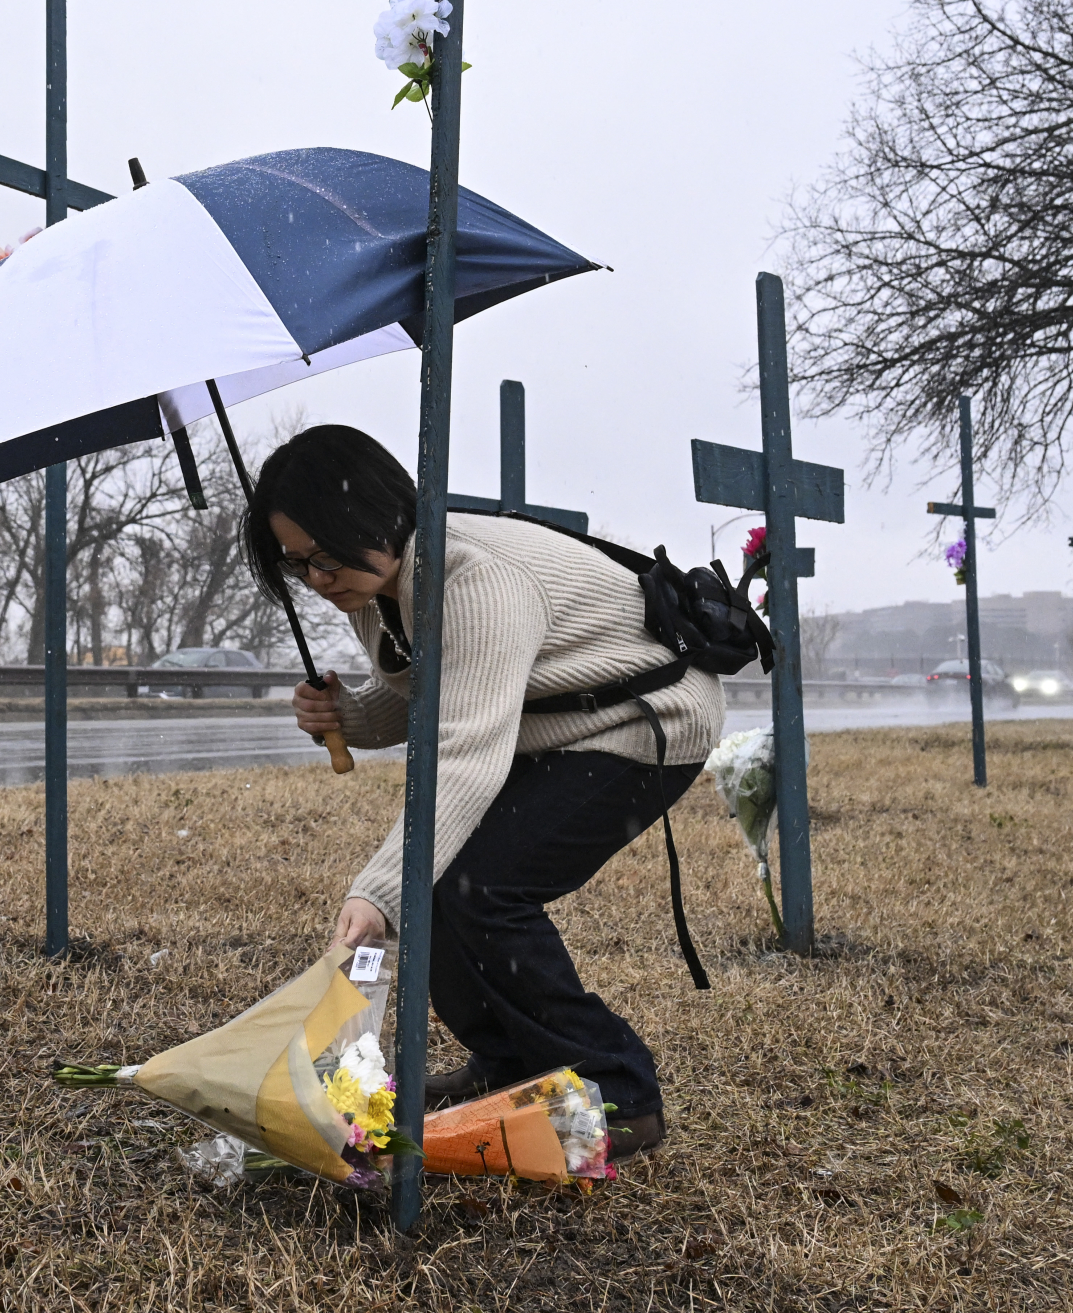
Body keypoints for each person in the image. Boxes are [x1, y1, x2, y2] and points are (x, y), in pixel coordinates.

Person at [244, 424, 723, 1160]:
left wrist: (378, 888)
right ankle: (508, 1061)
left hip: (647, 720)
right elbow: (424, 697)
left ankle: (619, 1092)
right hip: (558, 722)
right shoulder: (375, 588)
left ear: (375, 511)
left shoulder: (472, 577)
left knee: (482, 886)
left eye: (328, 553)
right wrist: (345, 714)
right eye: (298, 562)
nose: (318, 578)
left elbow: (464, 753)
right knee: (440, 885)